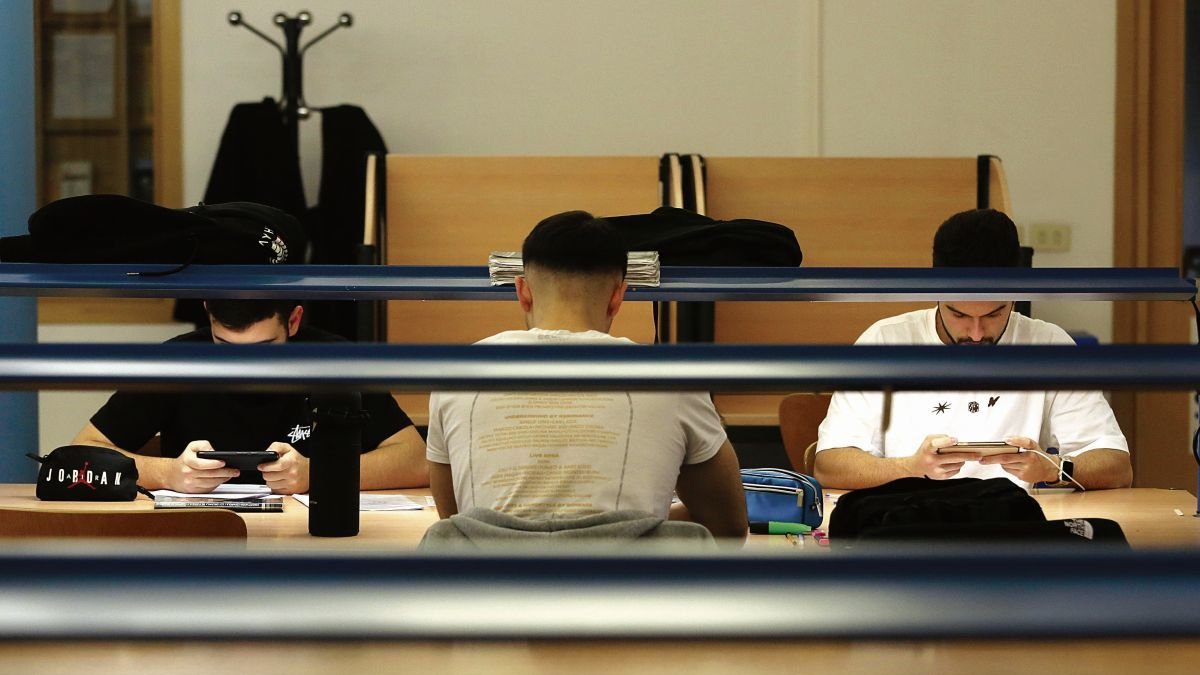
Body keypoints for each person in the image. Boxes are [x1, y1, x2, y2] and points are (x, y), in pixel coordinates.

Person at [425, 210, 748, 540]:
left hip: (491, 587)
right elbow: (730, 526)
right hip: (631, 587)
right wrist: (652, 521)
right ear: (617, 297)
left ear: (522, 291)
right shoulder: (667, 377)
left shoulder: (458, 372)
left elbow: (460, 522)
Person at [813, 208, 1132, 491]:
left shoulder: (1048, 345)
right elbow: (830, 464)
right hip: (908, 521)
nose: (977, 334)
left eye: (994, 314)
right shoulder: (885, 342)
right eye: (960, 315)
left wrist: (1054, 468)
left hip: (1013, 527)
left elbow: (1117, 465)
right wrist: (910, 469)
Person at [71, 299, 428, 494]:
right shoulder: (176, 361)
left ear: (293, 321)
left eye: (263, 348)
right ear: (208, 313)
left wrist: (318, 475)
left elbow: (417, 460)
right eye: (224, 345)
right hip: (202, 548)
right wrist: (167, 473)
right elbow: (81, 451)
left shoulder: (335, 361)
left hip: (305, 551)